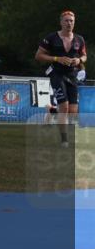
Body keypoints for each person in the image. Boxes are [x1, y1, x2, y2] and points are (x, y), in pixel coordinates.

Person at [35, 10, 87, 148]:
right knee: (64, 106)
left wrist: (79, 60)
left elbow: (84, 56)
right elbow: (38, 56)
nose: (69, 23)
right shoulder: (51, 38)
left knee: (73, 111)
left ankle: (52, 111)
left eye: (71, 21)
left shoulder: (79, 39)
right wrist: (57, 58)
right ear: (61, 22)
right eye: (66, 20)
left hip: (72, 75)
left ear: (74, 23)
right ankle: (64, 140)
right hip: (56, 74)